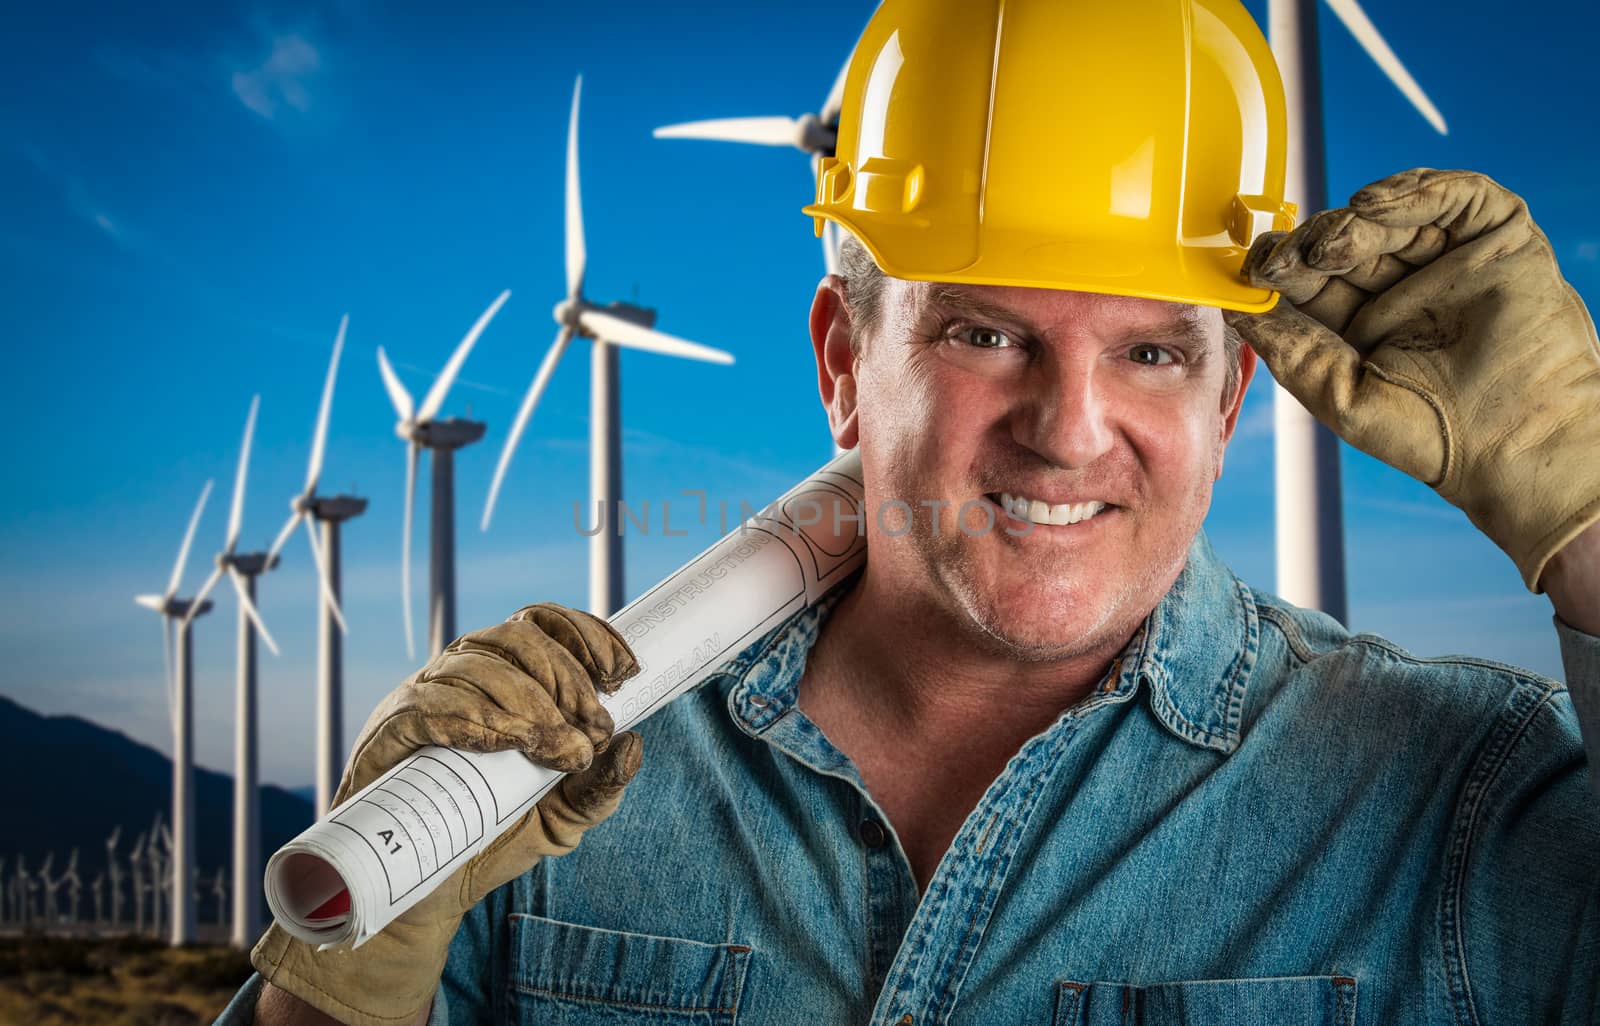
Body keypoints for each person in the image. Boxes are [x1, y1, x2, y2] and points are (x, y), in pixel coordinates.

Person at [221, 0, 1600, 1023]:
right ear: (841, 362)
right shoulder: (546, 793)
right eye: (987, 335)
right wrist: (347, 969)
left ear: (1233, 398)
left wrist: (1591, 517)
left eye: (1154, 351)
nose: (1068, 429)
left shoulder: (1458, 800)